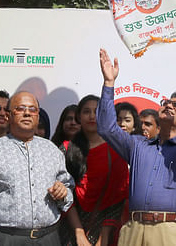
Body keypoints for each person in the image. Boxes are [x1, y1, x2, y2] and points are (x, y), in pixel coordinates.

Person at [97, 47, 176, 245]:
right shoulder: (138, 145)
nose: (169, 105)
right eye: (166, 102)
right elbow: (106, 128)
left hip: (170, 231)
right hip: (133, 230)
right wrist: (109, 83)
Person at [0, 91, 74, 245]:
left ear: (38, 116)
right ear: (8, 115)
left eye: (32, 109)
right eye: (20, 109)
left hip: (49, 238)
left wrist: (63, 193)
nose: (27, 113)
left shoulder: (52, 150)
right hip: (7, 238)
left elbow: (68, 188)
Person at [62, 95, 129, 245]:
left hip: (106, 230)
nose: (92, 116)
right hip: (71, 231)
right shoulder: (66, 149)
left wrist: (103, 237)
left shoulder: (116, 150)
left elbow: (117, 197)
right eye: (86, 111)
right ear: (79, 116)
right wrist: (78, 233)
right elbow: (64, 194)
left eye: (96, 111)